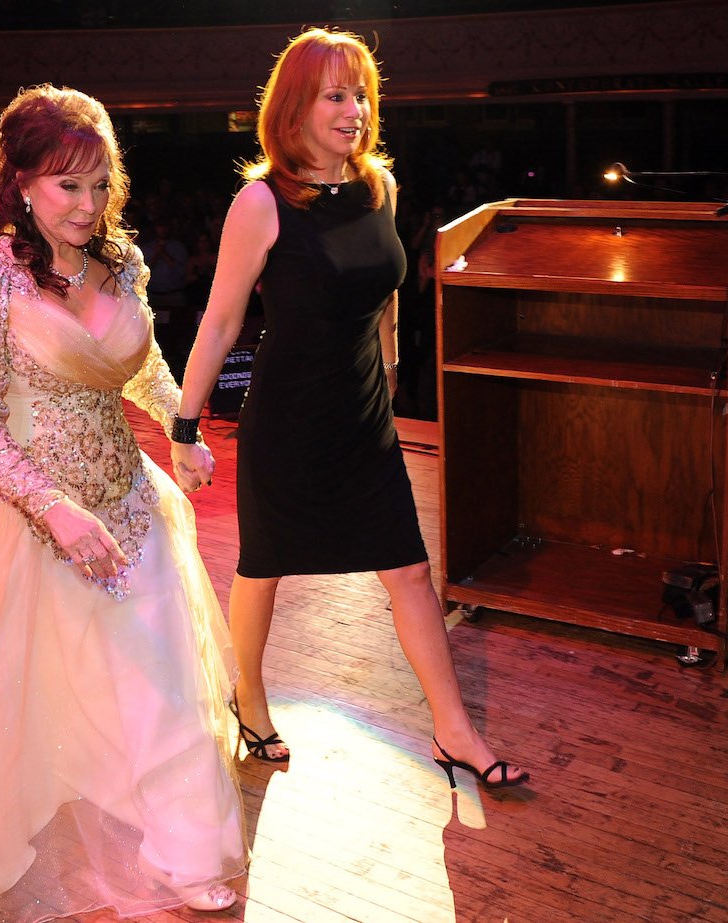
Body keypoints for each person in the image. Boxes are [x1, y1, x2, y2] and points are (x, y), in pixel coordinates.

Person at [0, 85, 246, 922]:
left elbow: (134, 361)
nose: (89, 203)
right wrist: (52, 508)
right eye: (69, 184)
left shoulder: (122, 262)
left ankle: (185, 851)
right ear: (21, 180)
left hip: (129, 502)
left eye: (102, 183)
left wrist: (178, 427)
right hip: (16, 516)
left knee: (164, 681)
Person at [173, 27, 527, 789]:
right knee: (263, 569)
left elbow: (387, 288)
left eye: (361, 94)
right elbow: (221, 319)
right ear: (295, 108)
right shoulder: (261, 202)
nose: (355, 109)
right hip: (290, 421)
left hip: (364, 415)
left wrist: (392, 370)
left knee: (408, 569)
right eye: (336, 94)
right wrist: (184, 423)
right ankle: (251, 701)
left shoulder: (380, 186)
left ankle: (454, 729)